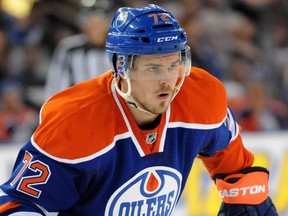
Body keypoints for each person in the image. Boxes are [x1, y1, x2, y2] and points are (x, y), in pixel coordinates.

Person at [0, 4, 278, 215]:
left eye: (173, 65)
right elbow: (20, 204)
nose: (168, 81)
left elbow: (237, 168)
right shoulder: (75, 120)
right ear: (122, 67)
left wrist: (244, 194)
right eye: (153, 67)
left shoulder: (200, 97)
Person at [44, 6, 111, 99]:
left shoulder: (119, 49)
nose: (95, 29)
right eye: (91, 23)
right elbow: (56, 83)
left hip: (111, 107)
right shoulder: (70, 48)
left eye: (99, 24)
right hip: (79, 105)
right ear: (84, 27)